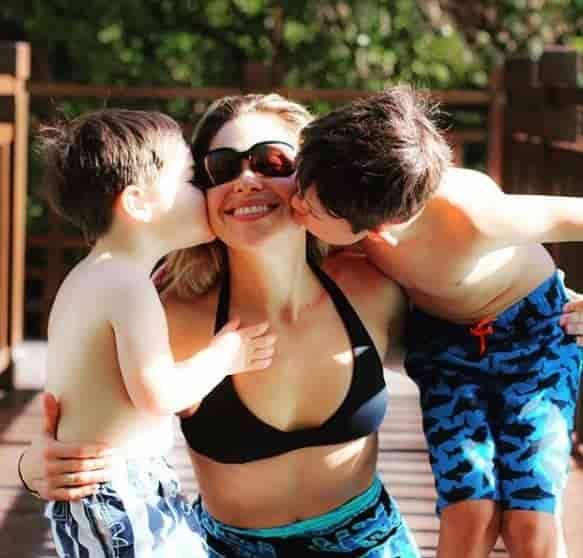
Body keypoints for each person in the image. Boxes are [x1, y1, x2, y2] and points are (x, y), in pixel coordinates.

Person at [20, 94, 421, 557]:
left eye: (272, 162)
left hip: (371, 545)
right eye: (221, 168)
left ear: (312, 176)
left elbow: (471, 354)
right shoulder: (166, 313)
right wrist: (34, 467)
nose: (246, 180)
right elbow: (83, 411)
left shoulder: (371, 289)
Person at [291, 85, 583, 558]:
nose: (295, 206)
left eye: (310, 209)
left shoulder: (474, 217)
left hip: (533, 338)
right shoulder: (344, 182)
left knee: (530, 521)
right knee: (470, 513)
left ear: (378, 231)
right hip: (445, 349)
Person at [34, 108, 276, 557]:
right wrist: (224, 356)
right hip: (119, 490)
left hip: (107, 490)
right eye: (189, 179)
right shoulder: (127, 284)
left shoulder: (92, 276)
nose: (201, 191)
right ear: (138, 203)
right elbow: (159, 394)